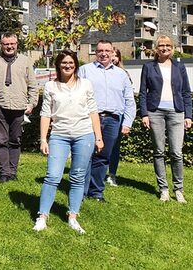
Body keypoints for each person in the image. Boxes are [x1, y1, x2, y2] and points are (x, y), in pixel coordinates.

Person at [33, 50, 103, 234]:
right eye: (64, 62)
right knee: (53, 176)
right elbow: (45, 114)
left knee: (78, 177)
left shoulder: (86, 84)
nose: (67, 66)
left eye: (71, 62)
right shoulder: (50, 86)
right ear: (58, 65)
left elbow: (93, 111)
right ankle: (42, 216)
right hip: (59, 136)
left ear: (76, 65)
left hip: (84, 135)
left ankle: (73, 216)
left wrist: (98, 137)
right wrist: (43, 139)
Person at [77, 40, 135, 202]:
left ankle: (96, 193)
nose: (103, 53)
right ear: (95, 52)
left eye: (107, 51)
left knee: (103, 157)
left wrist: (127, 122)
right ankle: (80, 192)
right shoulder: (84, 71)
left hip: (112, 121)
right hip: (88, 119)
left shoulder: (121, 74)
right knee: (85, 156)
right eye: (100, 50)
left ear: (112, 53)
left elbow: (129, 100)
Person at [139, 35, 193, 203]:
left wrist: (188, 115)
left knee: (177, 152)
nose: (164, 48)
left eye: (167, 45)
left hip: (176, 112)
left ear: (172, 47)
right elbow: (142, 93)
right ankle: (163, 189)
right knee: (159, 152)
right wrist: (145, 114)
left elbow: (186, 92)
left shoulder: (179, 67)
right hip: (155, 112)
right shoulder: (148, 66)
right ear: (156, 48)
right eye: (161, 45)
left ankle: (178, 189)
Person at [0, 33, 38, 182]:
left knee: (15, 140)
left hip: (19, 107)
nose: (9, 47)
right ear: (2, 45)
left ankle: (13, 172)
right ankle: (4, 172)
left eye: (12, 44)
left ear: (17, 44)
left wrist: (32, 103)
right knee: (1, 141)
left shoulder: (25, 61)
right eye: (6, 44)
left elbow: (33, 85)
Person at [106, 47, 132, 187]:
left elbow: (128, 98)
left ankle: (112, 174)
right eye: (112, 55)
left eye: (116, 55)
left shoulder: (123, 74)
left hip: (118, 115)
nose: (114, 58)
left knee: (115, 147)